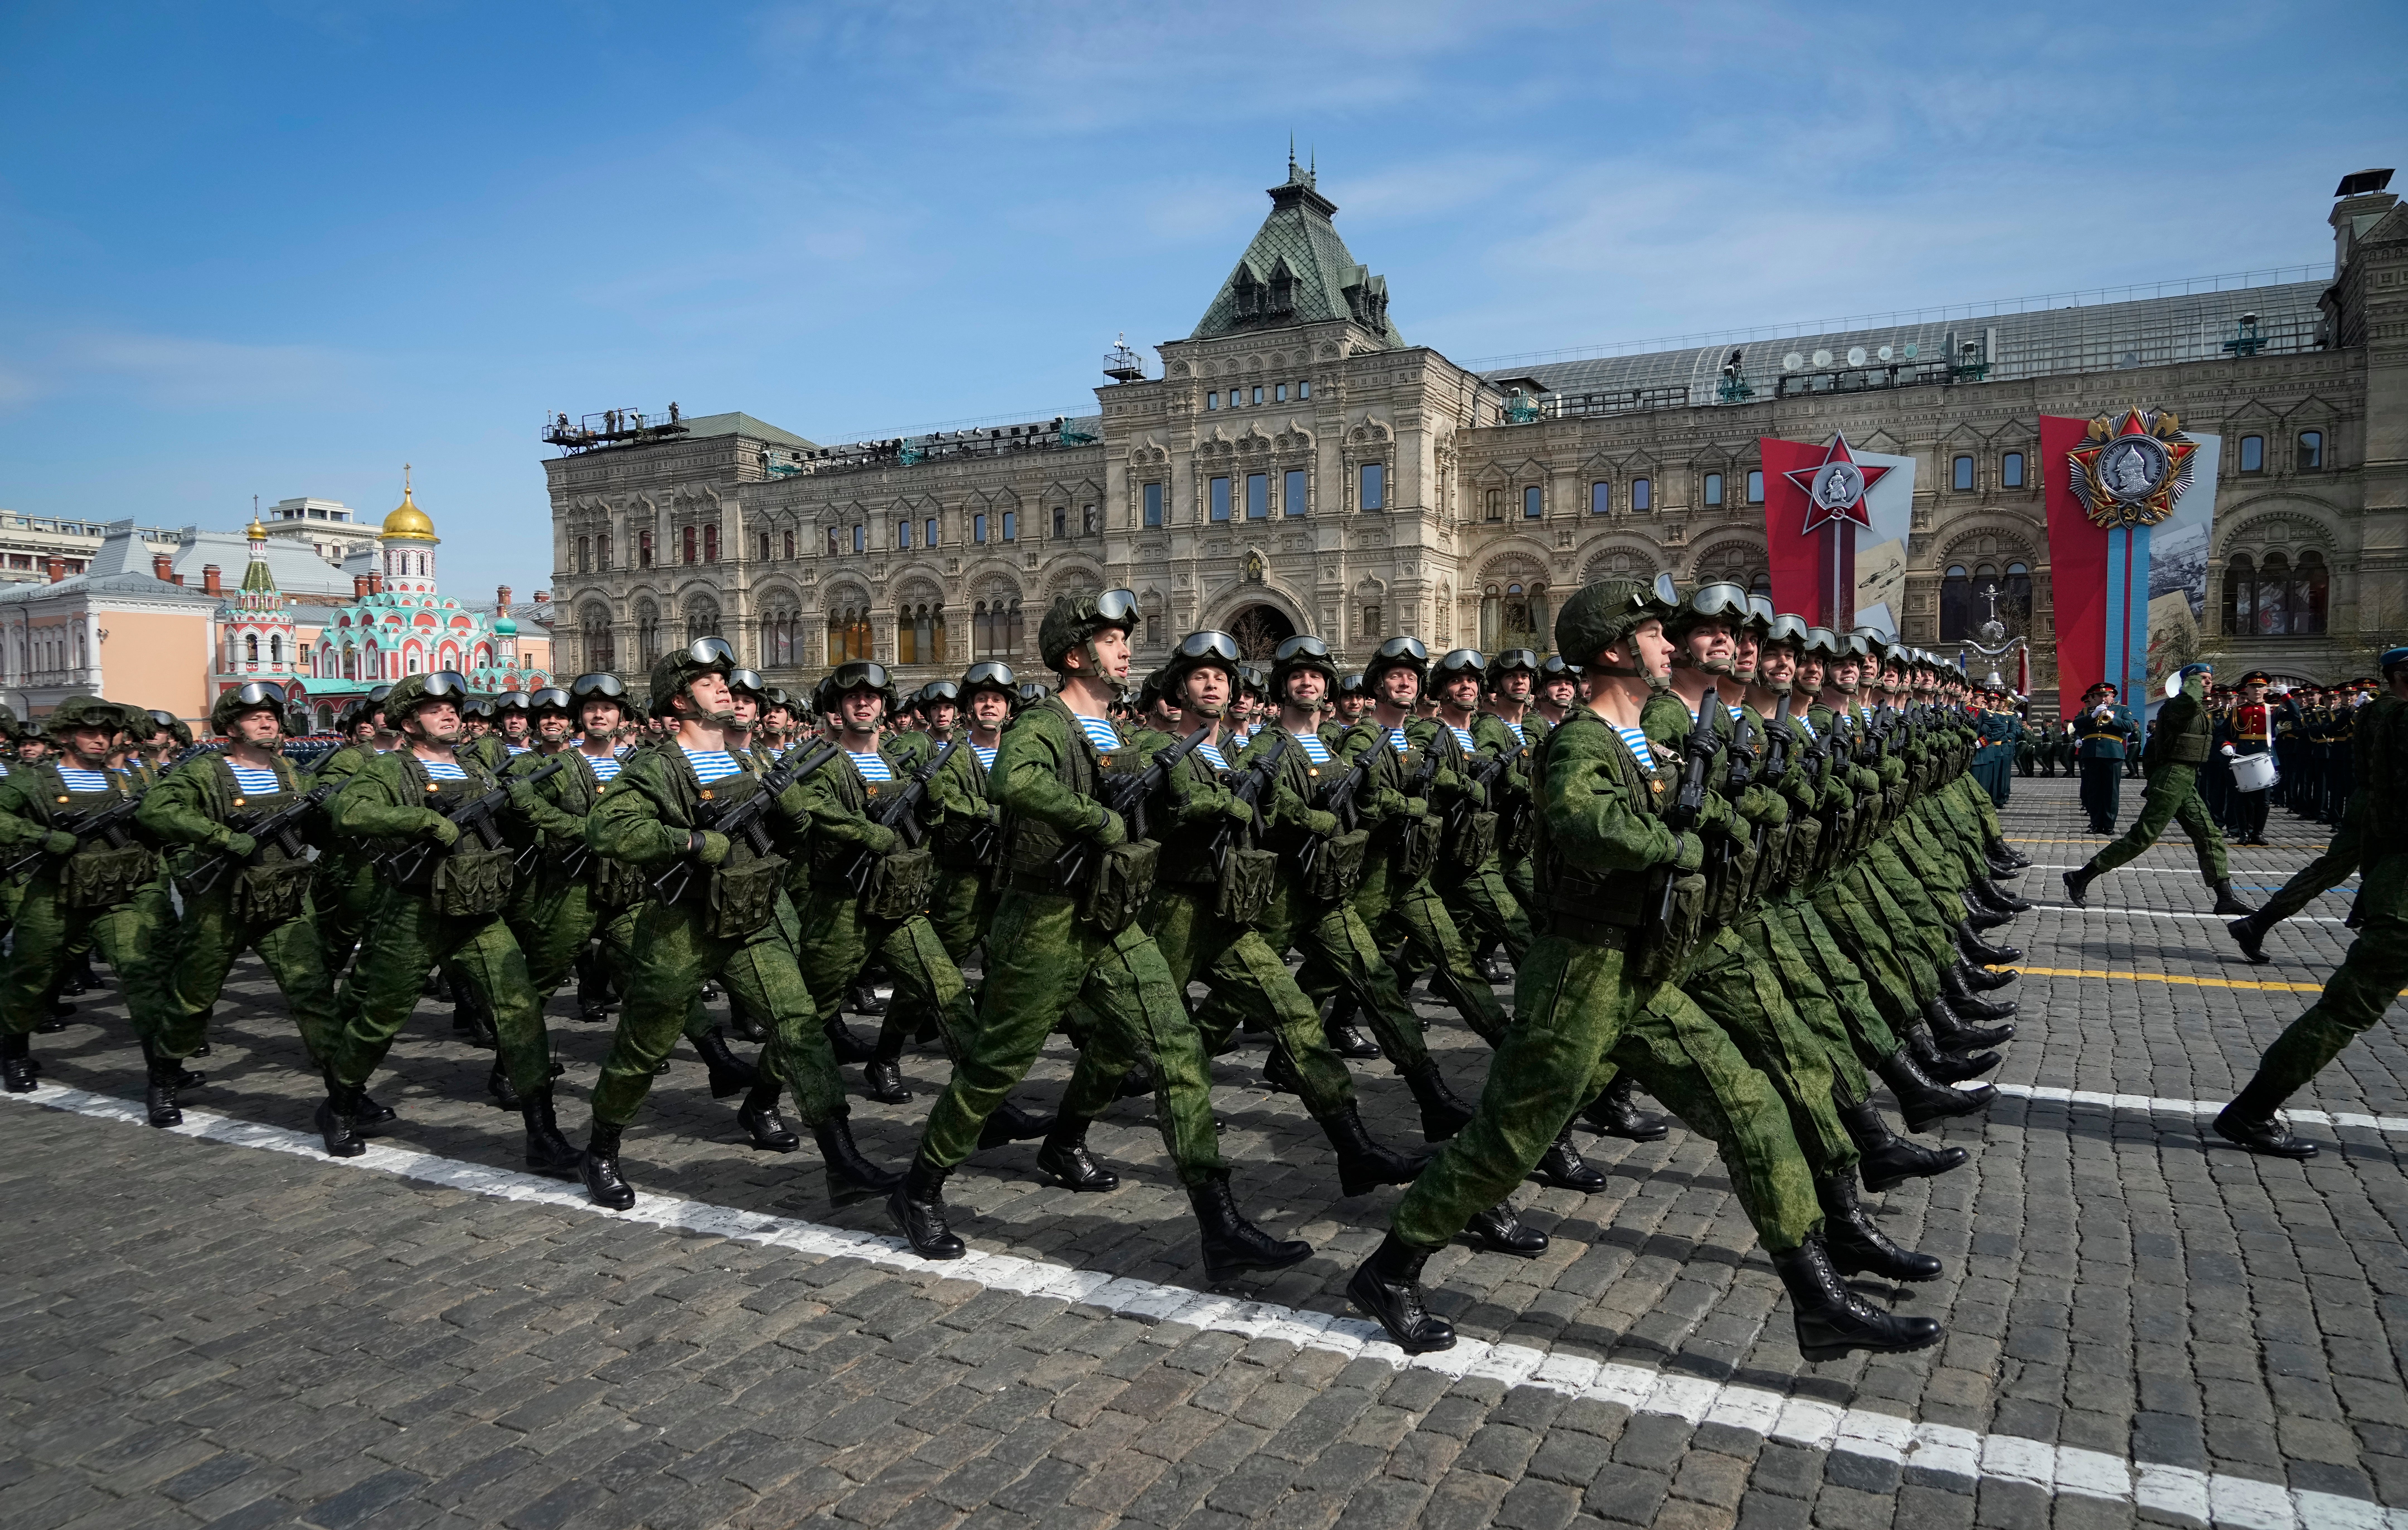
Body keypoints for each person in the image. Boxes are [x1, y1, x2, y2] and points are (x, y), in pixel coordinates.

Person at [1346, 579, 1942, 1362]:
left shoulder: (1643, 741)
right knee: (1508, 1141)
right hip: (1580, 974)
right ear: (1614, 652)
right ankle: (1390, 1270)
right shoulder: (1581, 742)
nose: (1668, 644)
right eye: (1654, 634)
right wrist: (1675, 848)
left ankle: (1818, 1298)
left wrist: (1720, 822)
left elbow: (1679, 804)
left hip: (1642, 968)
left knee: (1749, 1106)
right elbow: (1583, 822)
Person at [887, 591, 1310, 1284]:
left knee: (1176, 1050)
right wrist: (1094, 818)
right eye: (1114, 642)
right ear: (1079, 654)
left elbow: (1159, 770)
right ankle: (919, 1190)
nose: (1125, 651)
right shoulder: (1044, 725)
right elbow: (1012, 783)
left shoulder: (1114, 730)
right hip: (1045, 922)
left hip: (1110, 918)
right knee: (996, 1067)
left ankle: (1219, 1222)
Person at [578, 638, 894, 1207]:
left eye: (723, 679)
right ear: (679, 701)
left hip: (754, 917)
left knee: (801, 1029)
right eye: (707, 681)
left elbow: (794, 830)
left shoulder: (752, 760)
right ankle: (601, 1148)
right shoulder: (657, 765)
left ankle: (842, 1159)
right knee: (643, 1047)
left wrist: (794, 814)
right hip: (683, 926)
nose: (724, 687)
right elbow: (607, 830)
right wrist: (692, 839)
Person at [311, 672, 575, 1169]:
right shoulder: (393, 770)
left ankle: (543, 1133)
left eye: (453, 708)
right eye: (436, 710)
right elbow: (348, 812)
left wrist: (523, 806)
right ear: (410, 722)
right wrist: (423, 820)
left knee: (520, 1012)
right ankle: (341, 1105)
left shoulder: (476, 770)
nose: (450, 715)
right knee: (380, 1019)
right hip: (414, 912)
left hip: (478, 912)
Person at [2215, 646, 2408, 1157]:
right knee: (2346, 1006)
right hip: (2394, 868)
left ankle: (2258, 923)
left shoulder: (2376, 713)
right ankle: (2251, 1110)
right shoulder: (2385, 716)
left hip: (2386, 846)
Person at [135, 681, 345, 1125]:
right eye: (255, 717)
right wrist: (223, 837)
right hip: (221, 904)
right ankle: (165, 1077)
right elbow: (156, 809)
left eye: (271, 716)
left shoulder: (291, 773)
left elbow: (319, 834)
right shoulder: (206, 772)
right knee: (195, 996)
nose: (267, 722)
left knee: (314, 994)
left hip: (284, 902)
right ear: (231, 726)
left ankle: (345, 1093)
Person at [0, 697, 180, 1100]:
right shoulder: (34, 780)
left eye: (105, 733)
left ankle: (163, 1074)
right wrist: (42, 836)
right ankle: (13, 1052)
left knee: (142, 975)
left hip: (116, 896)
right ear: (64, 737)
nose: (100, 740)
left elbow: (156, 821)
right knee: (31, 977)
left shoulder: (126, 780)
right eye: (89, 732)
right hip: (54, 896)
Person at [2064, 664, 2254, 914]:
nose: (2208, 683)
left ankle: (2225, 897)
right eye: (2202, 679)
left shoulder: (2198, 710)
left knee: (2209, 836)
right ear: (2189, 683)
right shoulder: (2178, 706)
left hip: (2186, 779)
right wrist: (2193, 683)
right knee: (2143, 836)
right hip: (2173, 777)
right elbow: (2187, 702)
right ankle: (2081, 877)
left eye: (2210, 679)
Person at [2218, 670, 2278, 845]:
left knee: (2264, 799)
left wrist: (2288, 697)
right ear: (2247, 689)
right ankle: (2244, 832)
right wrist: (2226, 745)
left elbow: (2297, 717)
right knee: (2242, 797)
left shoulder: (2273, 710)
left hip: (2265, 754)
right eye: (2253, 687)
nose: (2257, 690)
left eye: (2261, 687)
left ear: (2266, 690)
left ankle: (2258, 833)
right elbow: (2222, 733)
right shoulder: (2238, 711)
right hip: (2243, 754)